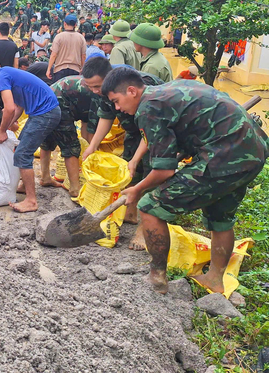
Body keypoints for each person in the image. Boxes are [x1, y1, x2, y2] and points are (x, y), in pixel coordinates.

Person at [103, 69, 269, 295]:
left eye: (116, 101)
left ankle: (157, 277)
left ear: (131, 91)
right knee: (220, 215)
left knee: (150, 207)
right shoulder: (167, 91)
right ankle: (215, 280)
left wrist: (137, 189)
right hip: (252, 151)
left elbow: (164, 171)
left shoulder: (148, 108)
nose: (117, 109)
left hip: (225, 155)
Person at [81, 60, 164, 249]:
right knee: (129, 170)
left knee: (153, 175)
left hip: (158, 130)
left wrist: (137, 158)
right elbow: (106, 116)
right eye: (90, 87)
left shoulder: (141, 86)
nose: (94, 90)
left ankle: (144, 230)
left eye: (96, 86)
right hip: (135, 131)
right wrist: (92, 146)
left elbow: (151, 130)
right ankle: (131, 213)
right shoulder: (106, 91)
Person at [0, 54, 60, 213]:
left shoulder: (1, 77)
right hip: (44, 111)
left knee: (22, 154)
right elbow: (18, 107)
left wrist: (2, 131)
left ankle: (31, 201)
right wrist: (8, 125)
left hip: (45, 113)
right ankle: (24, 185)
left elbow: (8, 108)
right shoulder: (7, 72)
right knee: (19, 148)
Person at [39, 63, 103, 198]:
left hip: (49, 100)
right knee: (71, 145)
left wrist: (88, 148)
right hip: (58, 102)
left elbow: (86, 124)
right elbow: (91, 130)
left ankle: (45, 177)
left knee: (48, 139)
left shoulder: (94, 87)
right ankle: (75, 188)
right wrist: (91, 153)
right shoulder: (98, 92)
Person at [46, 14, 86, 82]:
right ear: (75, 25)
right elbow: (83, 56)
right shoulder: (81, 38)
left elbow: (53, 55)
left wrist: (49, 69)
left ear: (64, 24)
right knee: (73, 92)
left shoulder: (59, 37)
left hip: (60, 70)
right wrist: (83, 69)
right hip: (75, 71)